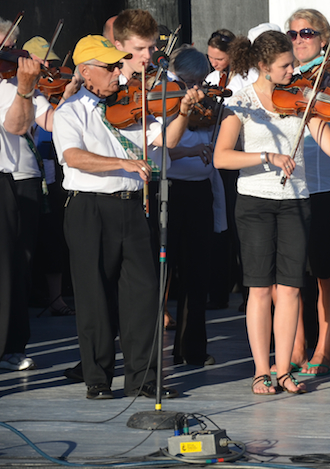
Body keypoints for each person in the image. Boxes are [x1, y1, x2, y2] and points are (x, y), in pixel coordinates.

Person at [214, 30, 330, 395]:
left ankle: (284, 370)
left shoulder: (302, 99)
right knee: (259, 289)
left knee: (289, 289)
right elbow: (222, 156)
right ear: (265, 66)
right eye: (286, 66)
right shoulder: (242, 102)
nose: (293, 71)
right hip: (254, 201)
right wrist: (265, 157)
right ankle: (260, 370)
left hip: (296, 201)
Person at [53, 35, 196, 399]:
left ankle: (143, 378)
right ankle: (98, 379)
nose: (119, 73)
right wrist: (121, 162)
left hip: (132, 205)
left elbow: (167, 142)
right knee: (94, 296)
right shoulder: (71, 111)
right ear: (86, 72)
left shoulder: (134, 107)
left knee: (143, 293)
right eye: (110, 67)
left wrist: (183, 112)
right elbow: (73, 157)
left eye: (119, 65)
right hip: (89, 208)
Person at [285, 8, 330, 376]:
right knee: (292, 276)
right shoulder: (280, 77)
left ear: (325, 38)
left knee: (329, 274)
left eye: (307, 33)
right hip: (291, 187)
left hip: (328, 187)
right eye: (294, 34)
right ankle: (295, 345)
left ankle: (325, 348)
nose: (299, 40)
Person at [166, 46, 221, 366]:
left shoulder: (203, 101)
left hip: (199, 190)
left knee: (196, 272)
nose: (196, 89)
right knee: (165, 271)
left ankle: (192, 348)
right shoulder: (165, 97)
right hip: (170, 189)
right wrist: (192, 150)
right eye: (189, 81)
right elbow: (157, 148)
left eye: (200, 82)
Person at [0, 51, 42, 372]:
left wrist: (26, 88)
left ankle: (10, 346)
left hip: (6, 177)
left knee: (10, 266)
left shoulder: (6, 86)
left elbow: (18, 125)